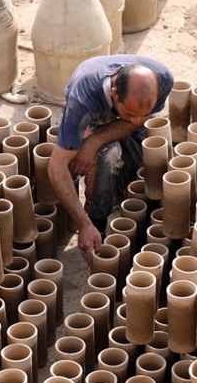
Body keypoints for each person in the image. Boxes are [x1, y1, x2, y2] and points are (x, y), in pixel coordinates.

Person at [47, 55, 174, 266]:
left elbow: (136, 121)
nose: (136, 120)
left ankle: (118, 191)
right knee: (107, 155)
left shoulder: (163, 79)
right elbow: (55, 167)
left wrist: (96, 140)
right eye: (130, 113)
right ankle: (96, 221)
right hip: (94, 116)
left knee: (142, 174)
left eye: (144, 113)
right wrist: (83, 224)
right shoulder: (83, 100)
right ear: (114, 93)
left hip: (118, 113)